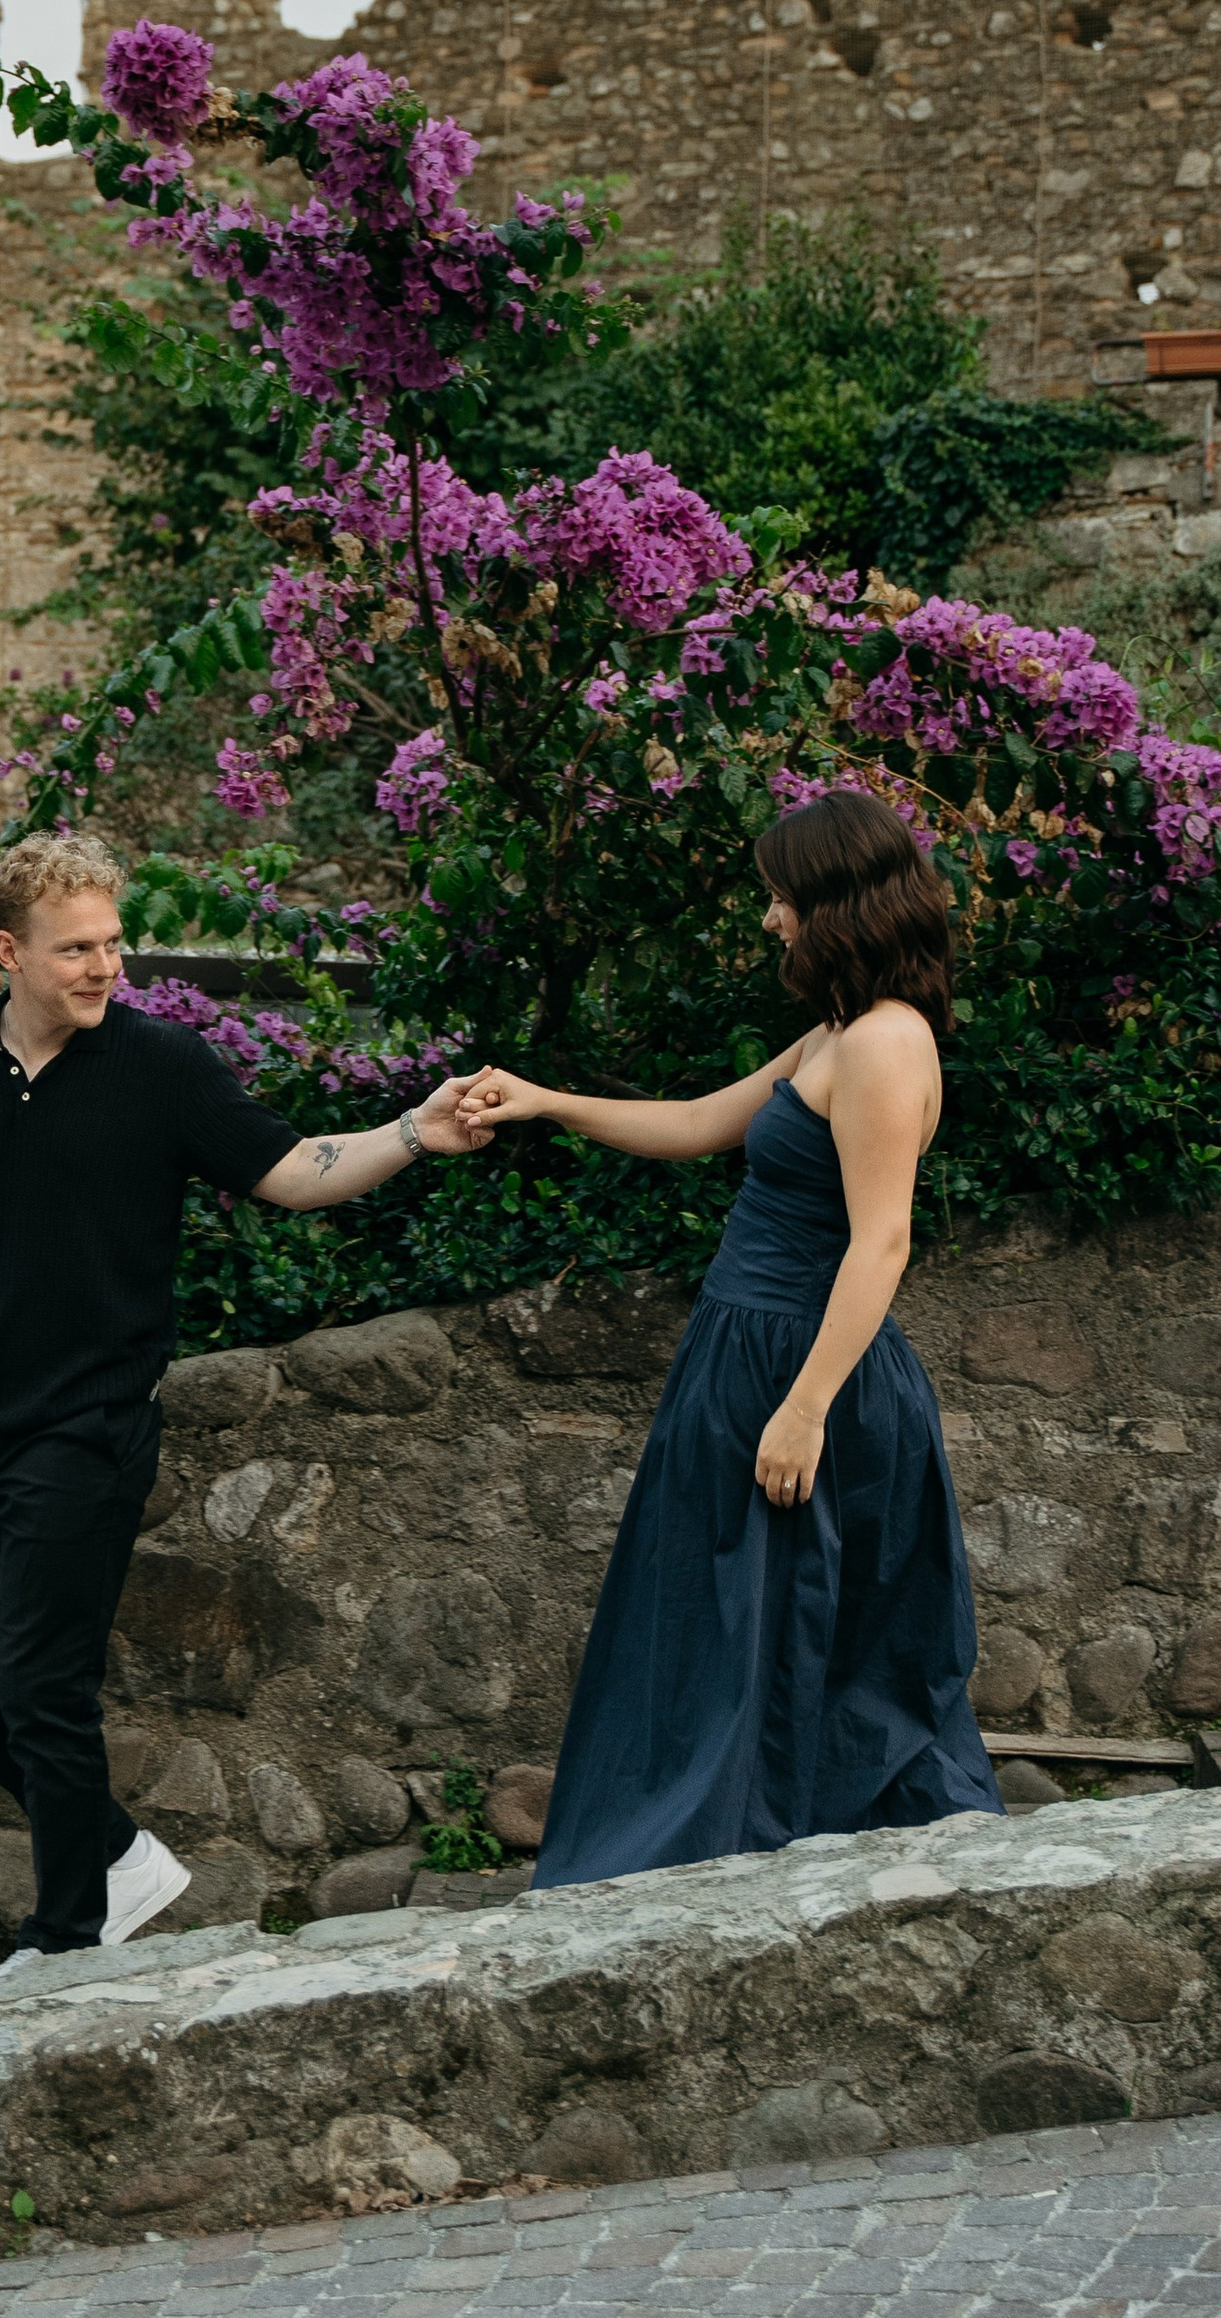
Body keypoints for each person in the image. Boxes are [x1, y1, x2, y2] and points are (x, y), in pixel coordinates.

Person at [0, 830, 487, 1991]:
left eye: (113, 942)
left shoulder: (162, 1066)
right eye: (76, 949)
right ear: (7, 951)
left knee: (42, 1685)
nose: (104, 967)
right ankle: (111, 1852)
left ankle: (62, 1938)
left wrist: (415, 1132)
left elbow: (293, 1170)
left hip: (92, 1423)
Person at [459, 788, 1002, 1888]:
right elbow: (702, 1122)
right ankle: (710, 1878)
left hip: (810, 1379)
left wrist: (801, 1407)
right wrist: (545, 1100)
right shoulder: (836, 1034)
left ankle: (767, 1878)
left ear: (836, 904)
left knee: (795, 1649)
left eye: (782, 900)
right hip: (744, 1358)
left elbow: (882, 1242)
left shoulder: (888, 1046)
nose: (771, 923)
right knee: (717, 1646)